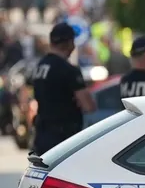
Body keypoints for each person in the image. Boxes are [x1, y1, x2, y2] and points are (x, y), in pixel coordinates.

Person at [31, 22, 96, 155]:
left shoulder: (39, 67)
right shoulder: (68, 70)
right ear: (70, 43)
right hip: (64, 139)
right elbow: (89, 106)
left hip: (42, 135)